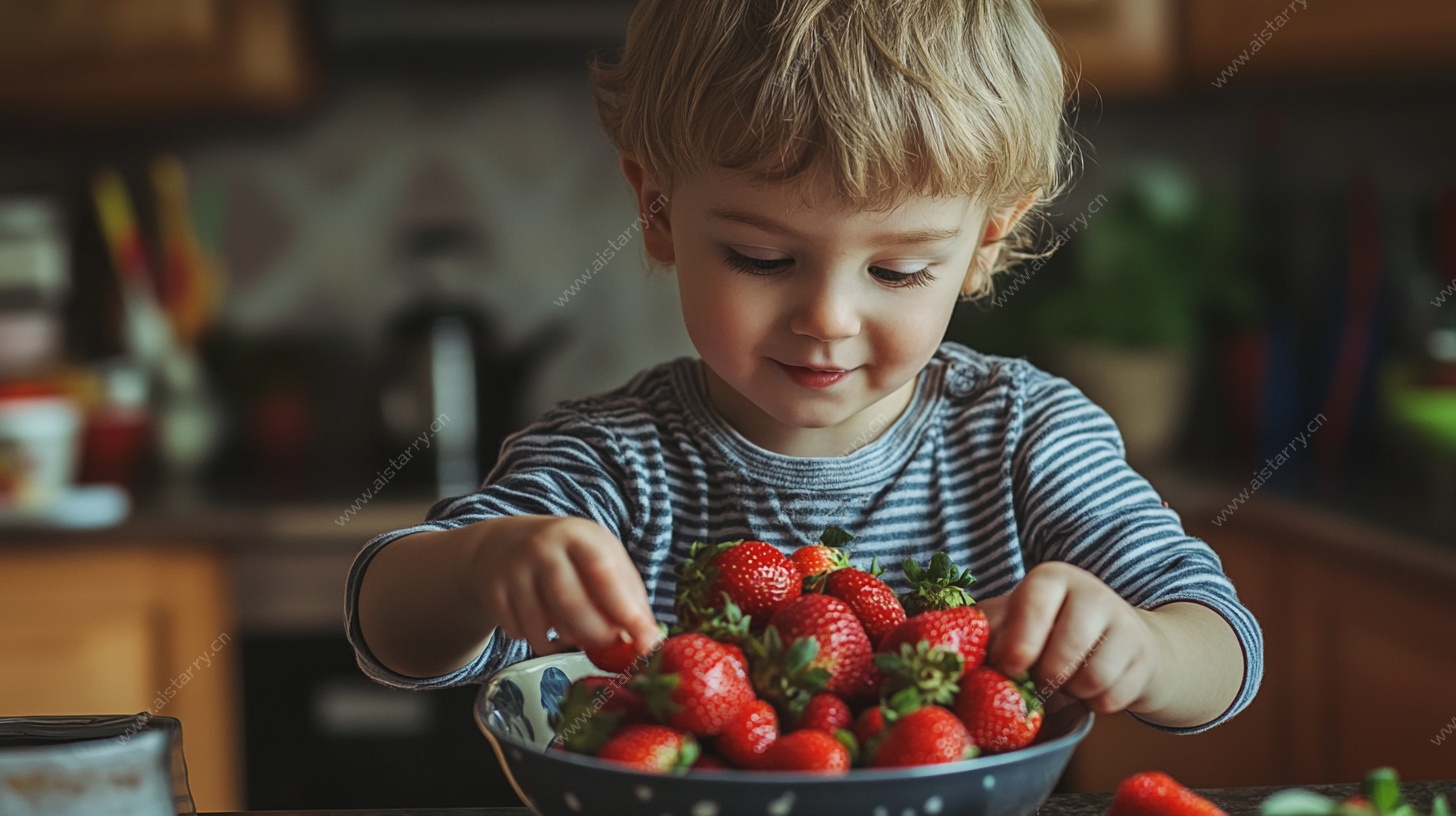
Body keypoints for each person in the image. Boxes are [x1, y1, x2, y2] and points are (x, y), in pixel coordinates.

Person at [348, 0, 1262, 733]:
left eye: (898, 270)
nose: (827, 318)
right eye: (762, 258)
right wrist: (479, 564)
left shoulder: (1024, 437)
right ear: (657, 206)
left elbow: (1222, 645)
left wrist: (1142, 649)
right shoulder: (611, 462)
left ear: (987, 242)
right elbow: (389, 626)